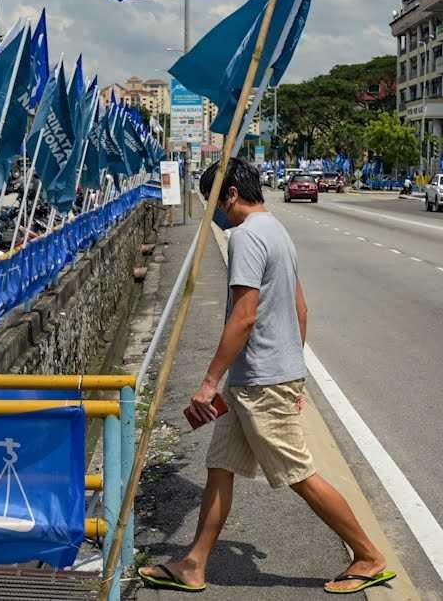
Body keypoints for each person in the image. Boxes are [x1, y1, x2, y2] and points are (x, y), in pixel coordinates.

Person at [139, 158, 394, 595]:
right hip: (261, 378)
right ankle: (194, 564)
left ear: (231, 196)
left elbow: (243, 317)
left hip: (261, 382)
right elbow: (301, 309)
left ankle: (367, 555)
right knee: (220, 467)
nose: (212, 213)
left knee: (298, 473)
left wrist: (207, 383)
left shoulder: (246, 237)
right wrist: (292, 369)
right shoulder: (277, 230)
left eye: (212, 203)